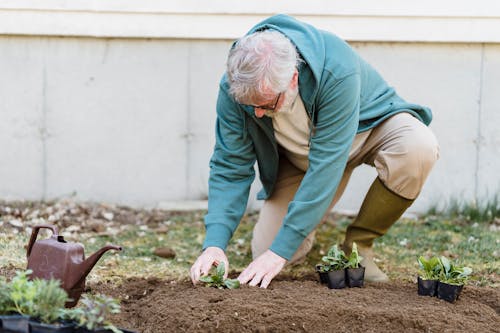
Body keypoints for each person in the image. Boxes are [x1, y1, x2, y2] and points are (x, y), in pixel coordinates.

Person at [190, 14, 439, 288]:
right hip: (303, 159)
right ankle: (303, 226)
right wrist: (214, 244)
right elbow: (230, 165)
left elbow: (326, 166)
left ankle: (359, 243)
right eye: (252, 107)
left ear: (293, 79)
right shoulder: (237, 87)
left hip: (367, 130)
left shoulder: (336, 69)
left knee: (418, 147)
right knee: (266, 251)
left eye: (266, 105)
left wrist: (279, 254)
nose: (258, 113)